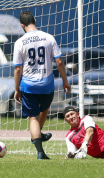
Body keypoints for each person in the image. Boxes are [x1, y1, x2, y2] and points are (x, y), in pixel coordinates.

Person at [13, 11, 71, 159]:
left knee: (33, 117)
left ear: (22, 25)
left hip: (28, 85)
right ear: (35, 20)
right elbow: (59, 62)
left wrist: (16, 89)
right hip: (47, 84)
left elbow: (18, 69)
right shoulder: (48, 37)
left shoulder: (19, 42)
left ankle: (39, 149)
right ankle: (38, 134)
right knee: (44, 109)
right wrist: (65, 81)